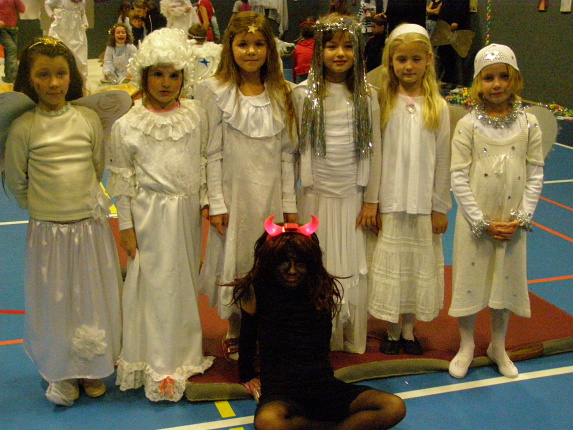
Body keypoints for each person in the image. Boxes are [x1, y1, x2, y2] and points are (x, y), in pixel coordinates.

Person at [5, 36, 122, 406]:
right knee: (55, 303)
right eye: (43, 75)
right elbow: (17, 181)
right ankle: (62, 370)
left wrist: (78, 206)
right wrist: (46, 211)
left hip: (89, 229)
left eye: (60, 74)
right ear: (29, 79)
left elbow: (97, 167)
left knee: (90, 299)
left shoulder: (87, 120)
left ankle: (90, 365)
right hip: (49, 233)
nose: (53, 83)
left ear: (72, 76)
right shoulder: (24, 127)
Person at [107, 27, 214, 402]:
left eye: (174, 75)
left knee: (181, 284)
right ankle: (155, 359)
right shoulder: (127, 125)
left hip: (185, 215)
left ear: (184, 77)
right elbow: (123, 180)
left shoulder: (196, 116)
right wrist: (126, 226)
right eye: (158, 74)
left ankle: (182, 353)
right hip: (149, 215)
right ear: (144, 75)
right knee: (153, 287)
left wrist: (205, 201)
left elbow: (202, 161)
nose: (166, 83)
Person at [231, 217, 406, 429]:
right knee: (268, 422)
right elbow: (247, 337)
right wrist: (248, 374)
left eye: (300, 263)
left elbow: (321, 344)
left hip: (323, 386)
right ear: (271, 262)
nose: (292, 270)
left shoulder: (319, 287)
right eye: (285, 262)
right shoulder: (256, 290)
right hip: (280, 390)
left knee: (394, 406)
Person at [195, 12, 298, 360]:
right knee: (237, 259)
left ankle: (265, 328)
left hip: (269, 197)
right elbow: (211, 153)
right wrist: (216, 202)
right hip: (234, 197)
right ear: (230, 48)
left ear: (269, 48)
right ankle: (236, 327)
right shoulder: (214, 91)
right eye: (243, 44)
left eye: (258, 44)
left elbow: (287, 154)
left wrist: (289, 204)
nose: (251, 51)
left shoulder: (283, 93)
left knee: (269, 262)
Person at [448, 44, 544, 379]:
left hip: (512, 222)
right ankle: (467, 344)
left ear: (515, 79)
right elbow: (458, 176)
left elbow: (535, 172)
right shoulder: (468, 125)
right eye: (489, 78)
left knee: (505, 283)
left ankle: (498, 346)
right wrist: (480, 220)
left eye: (504, 76)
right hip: (477, 223)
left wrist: (522, 217)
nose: (497, 84)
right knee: (470, 281)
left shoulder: (529, 124)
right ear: (478, 82)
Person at [293, 13, 381, 354]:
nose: (340, 53)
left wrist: (371, 199)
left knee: (352, 266)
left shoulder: (367, 96)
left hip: (352, 199)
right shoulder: (303, 95)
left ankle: (349, 336)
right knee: (318, 263)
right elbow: (294, 150)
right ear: (319, 51)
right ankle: (320, 338)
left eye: (348, 46)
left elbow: (375, 149)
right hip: (315, 198)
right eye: (331, 46)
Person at [366, 24, 451, 355]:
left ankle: (408, 330)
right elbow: (375, 156)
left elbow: (443, 159)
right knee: (395, 269)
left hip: (422, 205)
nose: (409, 66)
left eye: (416, 59)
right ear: (391, 61)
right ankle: (391, 330)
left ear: (428, 60)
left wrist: (439, 206)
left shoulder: (438, 107)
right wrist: (373, 201)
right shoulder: (382, 103)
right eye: (401, 59)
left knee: (416, 269)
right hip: (391, 202)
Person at [44, 0, 88, 80]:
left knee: (80, 58)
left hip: (76, 34)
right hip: (60, 31)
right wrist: (51, 15)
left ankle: (79, 80)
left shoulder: (82, 2)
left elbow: (82, 13)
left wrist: (85, 23)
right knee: (58, 54)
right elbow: (47, 4)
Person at [0, 0, 26, 83]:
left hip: (13, 29)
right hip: (2, 30)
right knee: (11, 49)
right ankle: (14, 77)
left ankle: (9, 77)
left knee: (10, 52)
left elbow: (22, 9)